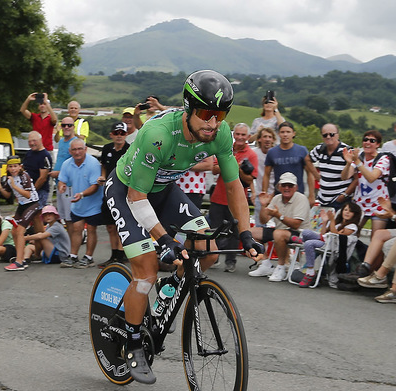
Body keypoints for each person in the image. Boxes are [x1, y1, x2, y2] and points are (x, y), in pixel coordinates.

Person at [104, 70, 264, 384]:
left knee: (209, 252)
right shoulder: (158, 133)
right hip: (128, 192)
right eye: (206, 113)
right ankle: (133, 342)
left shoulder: (220, 134)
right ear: (189, 108)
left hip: (164, 192)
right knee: (147, 268)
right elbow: (137, 197)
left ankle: (167, 293)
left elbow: (233, 187)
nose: (213, 123)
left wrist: (245, 232)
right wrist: (163, 239)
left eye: (220, 115)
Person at [209, 122, 258, 273]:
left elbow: (250, 179)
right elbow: (214, 169)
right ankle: (213, 258)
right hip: (218, 196)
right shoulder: (225, 148)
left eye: (243, 135)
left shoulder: (251, 154)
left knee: (235, 233)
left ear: (249, 137)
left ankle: (231, 261)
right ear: (233, 135)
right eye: (237, 134)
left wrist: (233, 166)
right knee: (213, 230)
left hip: (237, 199)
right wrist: (234, 164)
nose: (240, 137)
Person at [249, 172, 310, 281]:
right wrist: (264, 206)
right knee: (249, 233)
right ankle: (265, 264)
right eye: (284, 185)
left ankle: (281, 266)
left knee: (278, 233)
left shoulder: (301, 199)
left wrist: (278, 216)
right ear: (279, 187)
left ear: (295, 187)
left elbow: (296, 224)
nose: (287, 188)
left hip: (300, 233)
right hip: (280, 231)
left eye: (290, 186)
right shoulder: (277, 198)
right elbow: (264, 220)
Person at [58, 139, 103, 268]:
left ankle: (88, 257)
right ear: (70, 151)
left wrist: (82, 194)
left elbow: (95, 187)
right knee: (76, 228)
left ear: (85, 149)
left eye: (79, 149)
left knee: (91, 229)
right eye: (74, 149)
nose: (77, 152)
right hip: (77, 203)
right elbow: (62, 180)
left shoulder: (93, 163)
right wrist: (62, 186)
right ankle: (73, 256)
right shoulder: (67, 164)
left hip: (93, 202)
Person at [293, 201, 361, 287]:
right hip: (325, 239)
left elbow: (336, 236)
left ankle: (310, 272)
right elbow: (324, 233)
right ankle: (302, 240)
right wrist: (325, 222)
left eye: (350, 211)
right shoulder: (338, 224)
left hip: (332, 245)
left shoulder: (352, 226)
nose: (347, 212)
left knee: (309, 244)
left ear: (355, 214)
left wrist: (332, 220)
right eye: (345, 210)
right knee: (306, 232)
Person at [341, 130, 390, 236]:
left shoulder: (383, 159)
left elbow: (371, 178)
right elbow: (344, 177)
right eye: (365, 139)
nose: (368, 142)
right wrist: (349, 163)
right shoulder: (359, 157)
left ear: (377, 144)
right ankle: (357, 252)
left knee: (376, 238)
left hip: (378, 204)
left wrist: (357, 162)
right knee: (351, 234)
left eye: (372, 140)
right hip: (360, 204)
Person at [97, 122, 130, 268]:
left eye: (122, 133)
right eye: (116, 133)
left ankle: (121, 256)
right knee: (110, 226)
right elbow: (103, 165)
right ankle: (113, 255)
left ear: (126, 135)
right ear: (111, 134)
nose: (119, 136)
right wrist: (102, 176)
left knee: (120, 225)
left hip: (123, 192)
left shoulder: (130, 150)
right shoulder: (107, 148)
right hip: (108, 191)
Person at [262, 121, 318, 206]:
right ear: (278, 134)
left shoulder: (302, 151)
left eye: (288, 132)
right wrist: (265, 193)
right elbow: (266, 175)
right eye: (282, 132)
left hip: (298, 195)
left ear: (293, 134)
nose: (285, 135)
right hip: (279, 195)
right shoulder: (272, 152)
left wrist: (311, 195)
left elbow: (309, 173)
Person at [0, 156, 40, 271]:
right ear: (7, 167)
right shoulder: (9, 178)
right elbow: (8, 196)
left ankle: (19, 262)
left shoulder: (24, 176)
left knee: (20, 231)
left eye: (15, 166)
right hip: (22, 205)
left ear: (20, 166)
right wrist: (0, 188)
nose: (13, 169)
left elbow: (27, 195)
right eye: (11, 166)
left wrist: (13, 186)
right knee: (14, 231)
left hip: (32, 203)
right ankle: (20, 257)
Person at [310, 123, 358, 210]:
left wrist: (344, 195)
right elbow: (307, 159)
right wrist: (316, 176)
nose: (328, 137)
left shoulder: (347, 151)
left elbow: (355, 178)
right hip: (322, 200)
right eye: (325, 135)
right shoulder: (319, 149)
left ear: (338, 135)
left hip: (340, 201)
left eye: (332, 134)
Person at [49, 117, 77, 237]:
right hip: (59, 184)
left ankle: (72, 248)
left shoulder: (75, 143)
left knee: (70, 219)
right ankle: (68, 246)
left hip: (69, 186)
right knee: (64, 217)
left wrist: (58, 173)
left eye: (69, 125)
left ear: (73, 127)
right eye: (64, 125)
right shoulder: (61, 141)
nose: (66, 127)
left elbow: (76, 165)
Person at [252, 126, 276, 226]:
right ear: (259, 139)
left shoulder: (277, 153)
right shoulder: (254, 153)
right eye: (265, 136)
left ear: (273, 140)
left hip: (276, 193)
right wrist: (253, 191)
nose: (267, 139)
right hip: (260, 194)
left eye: (270, 137)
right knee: (260, 225)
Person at [23, 131, 53, 208]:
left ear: (40, 140)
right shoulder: (29, 153)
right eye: (29, 141)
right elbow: (24, 168)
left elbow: (42, 178)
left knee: (37, 215)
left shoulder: (45, 156)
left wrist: (32, 192)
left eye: (34, 140)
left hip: (40, 191)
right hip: (27, 190)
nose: (32, 143)